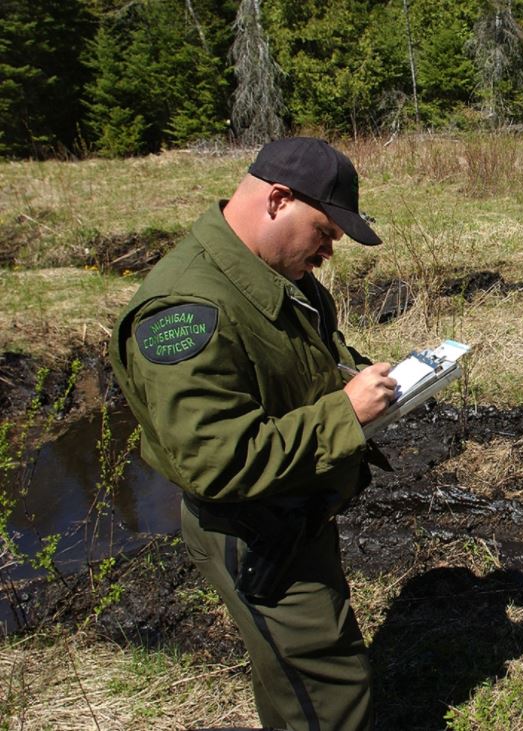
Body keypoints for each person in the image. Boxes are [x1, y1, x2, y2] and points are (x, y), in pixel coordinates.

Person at [110, 137, 397, 731]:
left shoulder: (270, 270)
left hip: (293, 506)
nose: (328, 251)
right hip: (254, 528)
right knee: (327, 684)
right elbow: (217, 459)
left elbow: (306, 355)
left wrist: (368, 379)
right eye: (325, 231)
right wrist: (347, 414)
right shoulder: (187, 308)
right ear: (278, 199)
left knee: (296, 678)